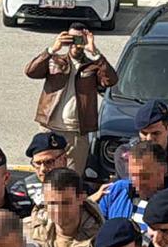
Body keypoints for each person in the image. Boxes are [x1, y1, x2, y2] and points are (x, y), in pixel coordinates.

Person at [26, 23, 117, 173]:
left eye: (79, 39)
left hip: (76, 132)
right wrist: (52, 49)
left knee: (73, 178)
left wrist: (95, 53)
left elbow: (111, 81)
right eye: (72, 38)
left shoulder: (92, 66)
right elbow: (30, 71)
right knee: (46, 173)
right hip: (50, 128)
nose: (75, 43)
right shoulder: (55, 61)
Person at [98, 141, 168, 242]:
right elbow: (96, 231)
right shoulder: (116, 192)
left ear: (162, 171)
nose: (137, 183)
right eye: (133, 175)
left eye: (145, 176)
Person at [25, 168, 104, 247]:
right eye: (52, 203)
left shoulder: (100, 241)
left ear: (81, 198)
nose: (58, 211)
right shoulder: (27, 232)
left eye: (65, 203)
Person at [113, 99, 168, 182]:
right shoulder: (126, 153)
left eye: (155, 133)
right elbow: (137, 184)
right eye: (144, 133)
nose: (149, 138)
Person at [20, 131, 70, 210]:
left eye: (49, 162)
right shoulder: (22, 188)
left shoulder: (78, 186)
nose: (43, 169)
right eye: (38, 163)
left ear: (64, 160)